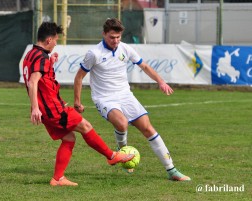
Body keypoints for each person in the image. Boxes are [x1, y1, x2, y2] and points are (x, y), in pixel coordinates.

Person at [74, 18, 191, 181]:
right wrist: (77, 101)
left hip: (125, 95)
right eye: (112, 37)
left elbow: (145, 66)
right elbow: (79, 77)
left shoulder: (125, 49)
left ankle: (172, 171)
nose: (115, 41)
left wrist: (161, 82)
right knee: (122, 123)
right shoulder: (94, 53)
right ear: (104, 34)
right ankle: (123, 155)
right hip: (104, 98)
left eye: (118, 37)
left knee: (148, 129)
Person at [22, 21, 135, 187]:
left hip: (47, 109)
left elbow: (37, 75)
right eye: (55, 40)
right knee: (86, 126)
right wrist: (35, 108)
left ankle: (58, 179)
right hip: (52, 108)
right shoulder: (41, 57)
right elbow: (33, 82)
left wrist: (50, 62)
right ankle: (112, 157)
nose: (55, 44)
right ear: (48, 40)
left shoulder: (31, 54)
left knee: (69, 138)